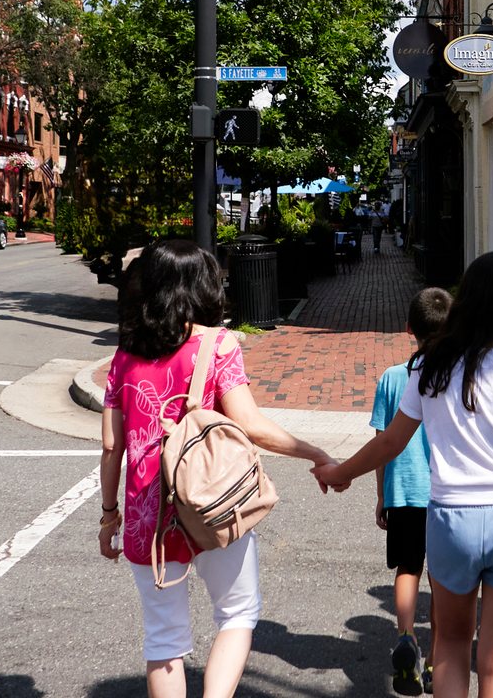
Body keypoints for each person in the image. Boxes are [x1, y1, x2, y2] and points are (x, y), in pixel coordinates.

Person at [313, 252, 493, 698]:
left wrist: (342, 472)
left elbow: (389, 442)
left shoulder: (432, 366)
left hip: (451, 520)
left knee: (451, 647)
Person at [98, 239, 334, 698]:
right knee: (238, 614)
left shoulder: (123, 356)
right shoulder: (218, 345)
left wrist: (110, 515)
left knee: (164, 640)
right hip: (214, 504)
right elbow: (250, 424)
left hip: (149, 514)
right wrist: (316, 453)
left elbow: (111, 446)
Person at [373, 287, 453, 696]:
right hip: (442, 495)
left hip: (402, 492)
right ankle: (438, 657)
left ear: (409, 329)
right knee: (442, 579)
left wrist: (381, 495)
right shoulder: (453, 374)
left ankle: (406, 638)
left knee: (407, 570)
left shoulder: (391, 378)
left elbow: (384, 442)